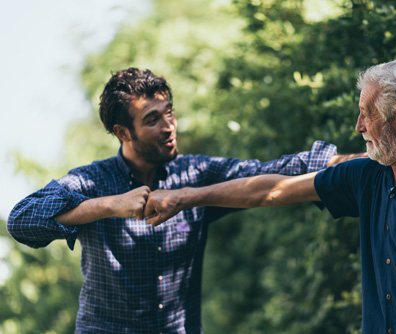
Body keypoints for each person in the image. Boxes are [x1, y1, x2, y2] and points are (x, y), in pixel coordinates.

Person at [144, 60, 396, 334]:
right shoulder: (368, 176)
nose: (358, 126)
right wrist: (184, 197)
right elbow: (270, 189)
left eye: (367, 114)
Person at [7, 68, 363, 333]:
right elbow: (22, 219)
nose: (169, 126)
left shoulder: (195, 174)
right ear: (122, 133)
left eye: (169, 112)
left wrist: (364, 162)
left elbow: (268, 171)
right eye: (153, 119)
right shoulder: (94, 180)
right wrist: (111, 205)